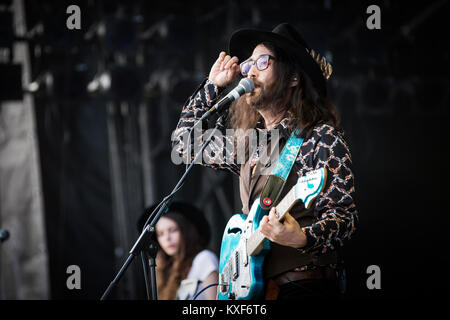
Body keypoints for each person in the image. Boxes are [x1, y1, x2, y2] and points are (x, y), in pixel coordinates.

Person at [172, 23, 358, 299]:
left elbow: (345, 218)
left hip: (303, 286)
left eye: (263, 61)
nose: (251, 71)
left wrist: (304, 238)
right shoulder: (250, 145)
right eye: (248, 65)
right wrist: (213, 86)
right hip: (257, 292)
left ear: (293, 77)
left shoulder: (320, 138)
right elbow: (183, 143)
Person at [137, 202, 219, 300]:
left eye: (173, 230)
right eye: (161, 234)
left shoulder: (204, 258)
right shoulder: (163, 268)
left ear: (186, 232)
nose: (167, 238)